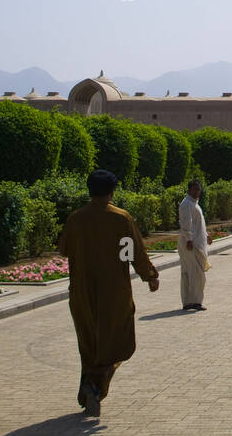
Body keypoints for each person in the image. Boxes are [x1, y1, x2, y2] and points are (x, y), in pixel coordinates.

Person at [56, 168, 160, 416]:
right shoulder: (120, 219)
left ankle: (87, 389)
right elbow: (132, 252)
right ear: (112, 191)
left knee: (89, 344)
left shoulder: (75, 219)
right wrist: (150, 276)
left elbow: (63, 249)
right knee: (118, 344)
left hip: (81, 293)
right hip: (114, 293)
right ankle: (95, 385)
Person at [178, 179, 209, 311]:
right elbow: (186, 223)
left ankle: (189, 301)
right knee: (195, 273)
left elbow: (197, 224)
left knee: (191, 272)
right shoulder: (186, 204)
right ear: (189, 190)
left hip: (196, 242)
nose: (198, 191)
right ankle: (194, 302)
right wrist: (189, 240)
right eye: (195, 189)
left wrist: (206, 235)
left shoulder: (194, 204)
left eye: (199, 189)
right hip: (191, 244)